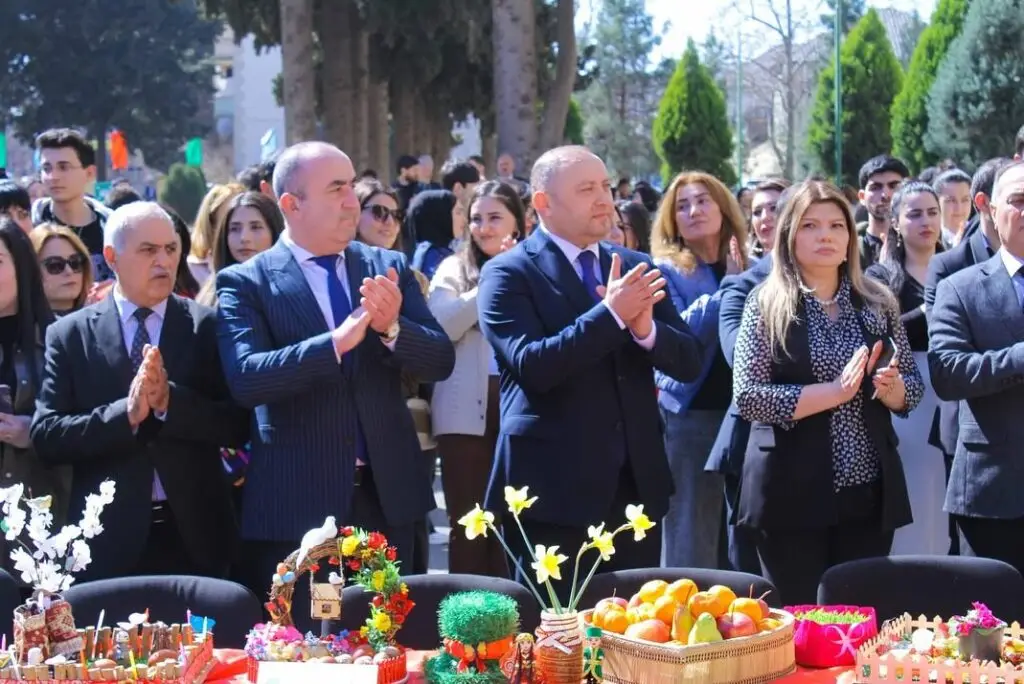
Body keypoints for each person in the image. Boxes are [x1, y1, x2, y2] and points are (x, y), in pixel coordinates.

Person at [215, 142, 454, 600]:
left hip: (388, 500)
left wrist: (392, 329)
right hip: (299, 506)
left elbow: (440, 360)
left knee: (393, 634)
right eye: (336, 189)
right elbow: (246, 377)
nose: (351, 201)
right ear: (292, 204)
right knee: (309, 636)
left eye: (351, 186)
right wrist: (333, 346)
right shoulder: (247, 282)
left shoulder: (386, 266)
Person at [477, 146, 703, 599]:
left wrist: (646, 331)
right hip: (552, 492)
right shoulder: (508, 273)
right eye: (586, 190)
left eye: (605, 186)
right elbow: (534, 365)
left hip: (634, 487)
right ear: (543, 203)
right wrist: (612, 315)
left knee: (635, 628)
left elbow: (689, 361)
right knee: (557, 630)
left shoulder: (635, 265)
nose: (604, 200)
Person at [31, 202, 249, 580]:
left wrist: (170, 403)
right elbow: (48, 436)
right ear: (112, 257)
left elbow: (238, 423)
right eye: (148, 250)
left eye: (171, 248)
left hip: (198, 539)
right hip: (108, 543)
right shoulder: (70, 335)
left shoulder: (207, 326)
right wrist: (125, 415)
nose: (163, 261)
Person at [732, 179, 922, 604]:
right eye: (810, 225)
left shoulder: (877, 301)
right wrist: (834, 392)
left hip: (867, 491)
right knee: (799, 618)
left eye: (837, 226)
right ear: (789, 235)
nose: (826, 236)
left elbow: (912, 387)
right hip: (790, 493)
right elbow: (748, 396)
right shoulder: (766, 304)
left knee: (860, 615)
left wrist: (891, 389)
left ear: (850, 237)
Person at [929, 160, 1024, 575]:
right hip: (994, 491)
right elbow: (948, 373)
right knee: (991, 612)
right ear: (991, 209)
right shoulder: (959, 287)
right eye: (1019, 201)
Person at [651, 171, 748, 569]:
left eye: (703, 200)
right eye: (682, 206)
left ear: (724, 208)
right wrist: (730, 290)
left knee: (741, 532)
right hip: (692, 415)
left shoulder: (750, 263)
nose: (693, 211)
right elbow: (679, 334)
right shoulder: (665, 270)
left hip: (746, 413)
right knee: (692, 533)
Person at [428, 181, 522, 577]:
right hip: (464, 412)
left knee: (513, 525)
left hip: (518, 406)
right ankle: (463, 612)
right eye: (476, 218)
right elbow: (442, 323)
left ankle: (514, 612)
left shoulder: (534, 265)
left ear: (518, 222)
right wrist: (492, 279)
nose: (483, 228)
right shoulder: (454, 268)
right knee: (468, 524)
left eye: (494, 218)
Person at [865, 181, 946, 555]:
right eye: (914, 214)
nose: (926, 222)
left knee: (943, 489)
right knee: (913, 482)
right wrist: (929, 311)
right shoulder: (881, 278)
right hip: (903, 389)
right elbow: (882, 332)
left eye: (932, 212)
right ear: (895, 222)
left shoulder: (958, 267)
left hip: (951, 385)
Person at [30, 223, 93, 316]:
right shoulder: (22, 324)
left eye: (75, 262)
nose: (69, 271)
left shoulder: (101, 318)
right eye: (55, 265)